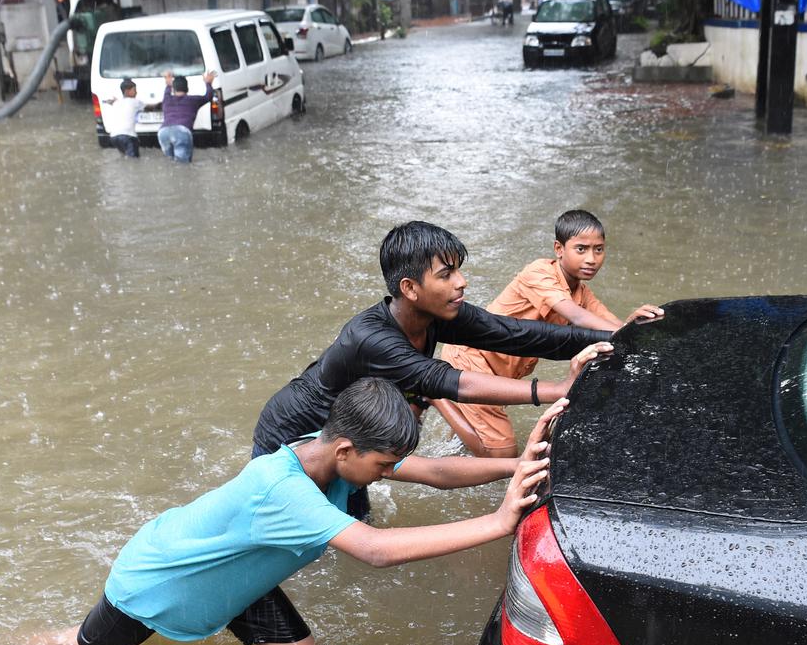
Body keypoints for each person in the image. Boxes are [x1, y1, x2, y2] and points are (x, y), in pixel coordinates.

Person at [57, 377, 560, 645]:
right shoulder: (286, 491)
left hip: (240, 581)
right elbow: (374, 549)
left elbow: (433, 471)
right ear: (345, 449)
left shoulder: (327, 456)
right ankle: (39, 643)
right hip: (159, 583)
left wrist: (521, 465)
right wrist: (498, 523)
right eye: (382, 465)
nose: (387, 473)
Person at [251, 221, 611, 517]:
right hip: (296, 432)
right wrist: (556, 390)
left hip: (354, 433)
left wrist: (616, 336)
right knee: (299, 528)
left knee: (356, 518)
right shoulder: (371, 338)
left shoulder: (438, 315)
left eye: (458, 270)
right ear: (410, 288)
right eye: (446, 274)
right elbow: (449, 382)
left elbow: (516, 334)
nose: (461, 282)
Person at [437, 210, 664, 457]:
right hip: (472, 359)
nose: (591, 258)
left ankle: (452, 406)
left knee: (462, 448)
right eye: (581, 249)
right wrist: (623, 329)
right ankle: (436, 398)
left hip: (501, 372)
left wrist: (636, 324)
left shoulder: (582, 293)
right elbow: (576, 316)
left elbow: (612, 327)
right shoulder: (539, 272)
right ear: (559, 249)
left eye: (598, 249)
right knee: (502, 455)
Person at [158, 69, 217, 163]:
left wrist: (168, 83)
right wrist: (208, 83)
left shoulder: (167, 99)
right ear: (187, 88)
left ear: (174, 89)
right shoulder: (193, 100)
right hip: (182, 131)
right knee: (183, 166)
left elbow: (167, 92)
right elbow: (208, 97)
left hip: (163, 132)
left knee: (171, 163)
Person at [99, 79, 150, 158]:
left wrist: (111, 101)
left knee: (125, 157)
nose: (136, 92)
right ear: (127, 91)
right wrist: (161, 104)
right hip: (128, 136)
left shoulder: (117, 102)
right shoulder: (135, 102)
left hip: (114, 137)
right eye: (134, 90)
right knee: (134, 161)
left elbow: (105, 101)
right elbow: (150, 107)